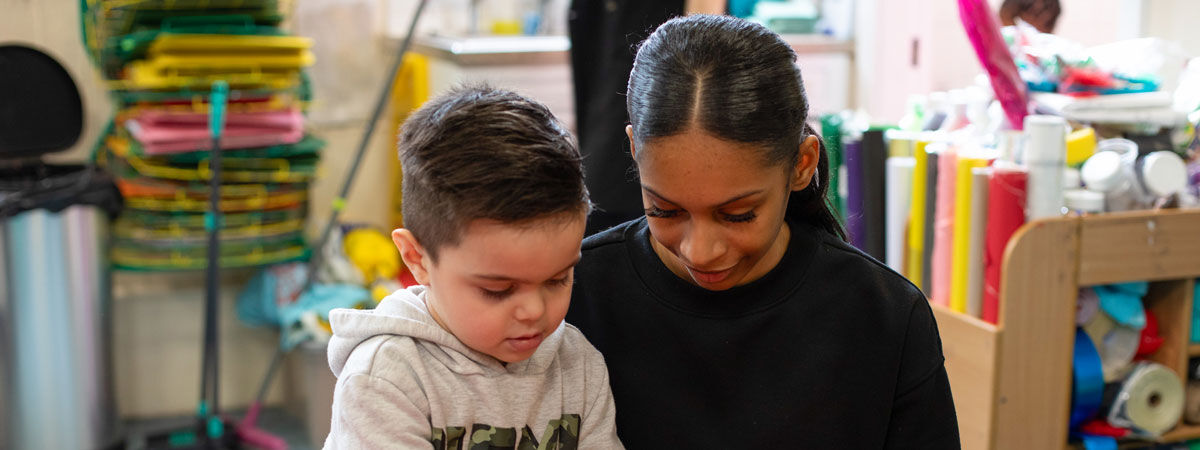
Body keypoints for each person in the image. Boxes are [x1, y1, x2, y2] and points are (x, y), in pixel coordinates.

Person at [566, 15, 960, 448]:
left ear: (802, 164)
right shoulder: (569, 296)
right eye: (665, 210)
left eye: (738, 215)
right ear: (636, 151)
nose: (700, 252)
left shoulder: (883, 318)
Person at [325, 86, 623, 449]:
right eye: (498, 290)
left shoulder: (577, 364)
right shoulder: (388, 378)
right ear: (417, 259)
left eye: (558, 279)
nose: (535, 311)